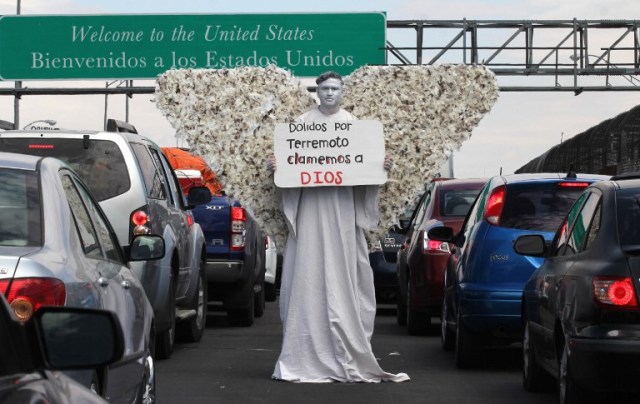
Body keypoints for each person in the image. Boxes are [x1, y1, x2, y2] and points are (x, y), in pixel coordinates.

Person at [269, 71, 409, 383]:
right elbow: (292, 168)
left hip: (344, 213)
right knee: (308, 272)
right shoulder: (302, 125)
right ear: (316, 92)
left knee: (347, 273)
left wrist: (379, 167)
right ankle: (306, 351)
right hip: (310, 212)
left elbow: (364, 169)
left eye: (334, 88)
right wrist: (280, 169)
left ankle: (346, 348)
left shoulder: (355, 127)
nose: (329, 93)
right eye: (324, 89)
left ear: (342, 91)